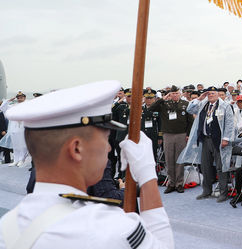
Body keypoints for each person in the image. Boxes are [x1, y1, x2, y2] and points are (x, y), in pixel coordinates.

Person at [0, 80, 173, 248]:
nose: (107, 148)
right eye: (104, 139)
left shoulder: (7, 226)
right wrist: (147, 176)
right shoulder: (109, 227)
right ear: (77, 149)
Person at [187, 87, 235, 202]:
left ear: (218, 95)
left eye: (213, 93)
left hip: (219, 140)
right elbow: (190, 109)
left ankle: (223, 192)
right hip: (205, 139)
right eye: (209, 94)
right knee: (205, 166)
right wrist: (199, 98)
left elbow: (229, 123)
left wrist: (226, 138)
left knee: (221, 166)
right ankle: (206, 191)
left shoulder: (225, 106)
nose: (211, 95)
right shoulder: (204, 104)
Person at [149, 86, 193, 194]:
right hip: (168, 134)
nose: (174, 95)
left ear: (180, 94)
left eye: (176, 93)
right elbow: (151, 108)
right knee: (169, 159)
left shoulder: (185, 104)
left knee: (179, 159)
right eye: (172, 93)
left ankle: (179, 184)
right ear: (170, 94)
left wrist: (188, 134)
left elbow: (190, 121)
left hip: (181, 134)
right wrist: (163, 98)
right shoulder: (164, 104)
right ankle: (171, 183)